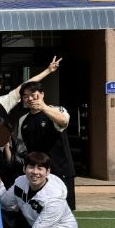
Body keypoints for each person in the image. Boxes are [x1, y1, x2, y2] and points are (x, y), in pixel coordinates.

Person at [18, 81, 76, 210]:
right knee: (38, 210)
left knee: (62, 211)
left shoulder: (57, 110)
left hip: (60, 170)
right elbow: (22, 148)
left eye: (33, 94)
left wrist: (43, 107)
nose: (30, 98)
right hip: (37, 173)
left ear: (42, 94)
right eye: (25, 96)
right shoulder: (23, 120)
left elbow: (64, 121)